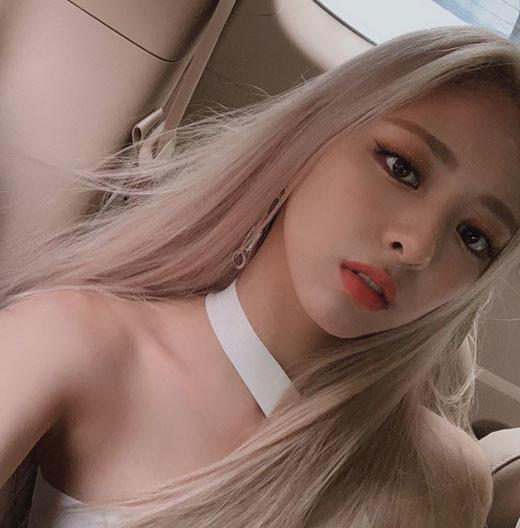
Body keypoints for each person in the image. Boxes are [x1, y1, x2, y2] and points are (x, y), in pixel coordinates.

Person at [0, 24, 519, 528]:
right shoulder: (73, 339)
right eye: (402, 168)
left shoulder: (438, 479)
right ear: (310, 138)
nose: (418, 246)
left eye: (474, 236)